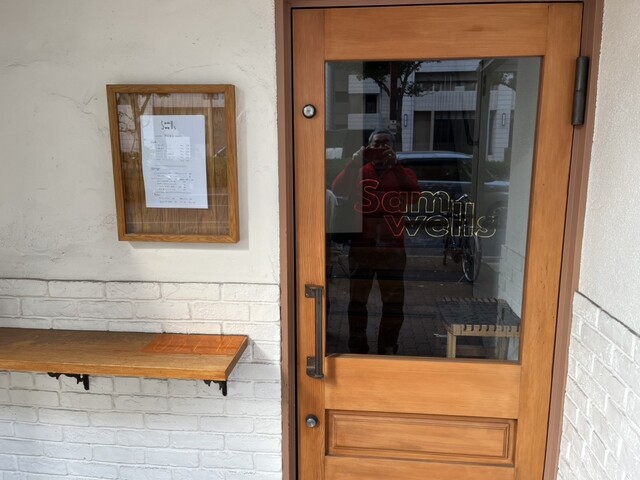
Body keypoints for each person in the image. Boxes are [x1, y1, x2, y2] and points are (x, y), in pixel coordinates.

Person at [332, 129, 421, 354]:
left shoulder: (404, 172)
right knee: (357, 301)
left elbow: (414, 197)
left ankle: (387, 346)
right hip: (362, 245)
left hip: (392, 248)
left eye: (385, 144)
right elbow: (337, 189)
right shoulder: (360, 170)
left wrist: (396, 167)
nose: (380, 148)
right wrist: (353, 163)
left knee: (393, 303)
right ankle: (357, 346)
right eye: (376, 144)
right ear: (368, 147)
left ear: (394, 147)